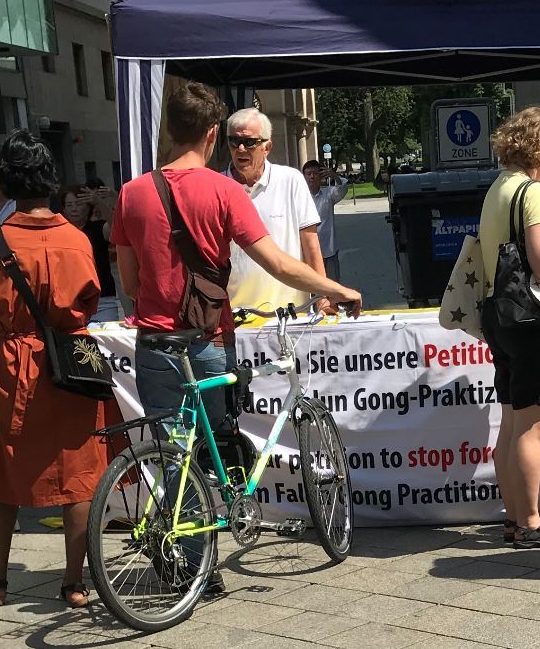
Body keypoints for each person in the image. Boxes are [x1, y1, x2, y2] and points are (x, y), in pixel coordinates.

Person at [110, 84, 363, 591]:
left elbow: (131, 284)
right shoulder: (224, 191)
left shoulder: (132, 193)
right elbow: (278, 262)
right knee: (211, 447)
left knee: (172, 449)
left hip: (156, 342)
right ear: (211, 135)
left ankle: (187, 560)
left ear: (168, 131)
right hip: (208, 338)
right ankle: (203, 556)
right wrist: (335, 287)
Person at [0, 131, 115, 610]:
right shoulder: (75, 240)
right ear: (49, 179)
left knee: (1, 470)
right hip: (69, 362)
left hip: (11, 362)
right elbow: (89, 301)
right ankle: (74, 582)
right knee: (78, 472)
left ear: (7, 182)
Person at [478, 105, 540, 549]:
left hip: (500, 315)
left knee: (511, 422)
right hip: (533, 320)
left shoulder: (500, 187)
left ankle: (514, 519)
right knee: (531, 428)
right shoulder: (534, 193)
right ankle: (533, 522)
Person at [222, 108, 323, 310]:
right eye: (234, 141)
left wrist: (323, 297)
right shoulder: (216, 186)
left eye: (250, 142)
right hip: (233, 315)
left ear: (267, 147)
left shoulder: (291, 180)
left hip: (290, 312)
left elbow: (310, 245)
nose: (240, 148)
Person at [57, 183, 121, 323]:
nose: (74, 209)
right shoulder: (57, 233)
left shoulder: (98, 228)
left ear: (88, 207)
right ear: (63, 209)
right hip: (70, 301)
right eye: (69, 205)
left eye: (78, 204)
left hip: (102, 302)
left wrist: (99, 202)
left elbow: (117, 226)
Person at [302, 160, 348, 281]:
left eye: (315, 173)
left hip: (328, 248)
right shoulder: (299, 197)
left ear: (321, 176)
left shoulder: (329, 194)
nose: (312, 176)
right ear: (304, 176)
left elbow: (342, 189)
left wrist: (335, 176)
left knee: (333, 285)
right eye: (308, 174)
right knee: (312, 288)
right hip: (308, 251)